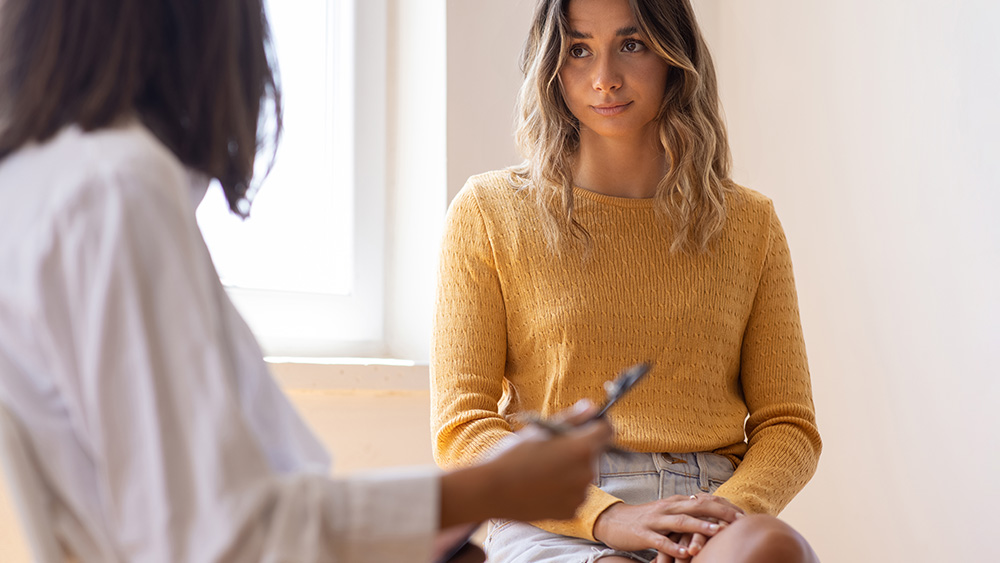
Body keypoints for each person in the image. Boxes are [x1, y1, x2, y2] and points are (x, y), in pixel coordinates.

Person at [0, 0, 613, 561]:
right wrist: (487, 489)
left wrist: (427, 524)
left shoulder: (39, 183)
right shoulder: (113, 194)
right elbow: (222, 538)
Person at [430, 0, 823, 561]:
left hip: (710, 506)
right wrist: (607, 517)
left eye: (632, 44)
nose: (605, 78)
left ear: (674, 56)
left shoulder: (750, 224)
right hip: (556, 511)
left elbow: (789, 426)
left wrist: (718, 515)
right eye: (579, 49)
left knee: (774, 549)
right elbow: (461, 427)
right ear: (551, 64)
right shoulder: (488, 212)